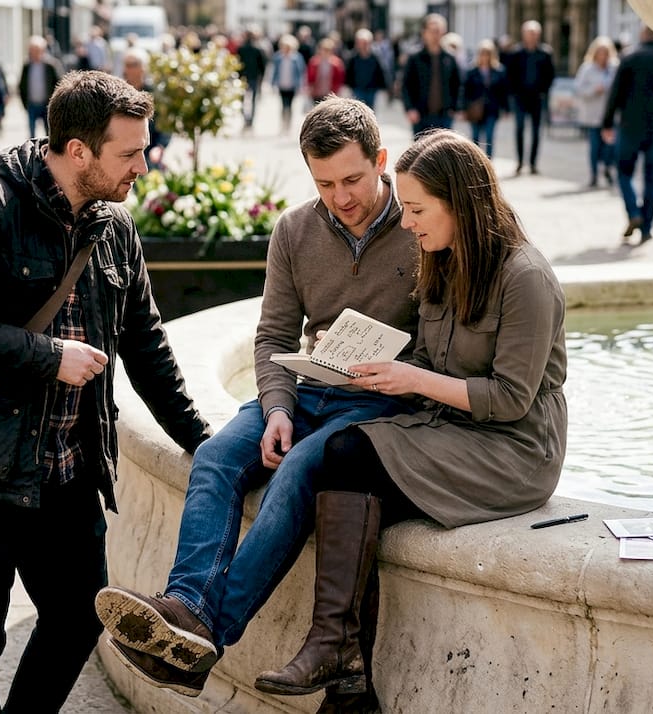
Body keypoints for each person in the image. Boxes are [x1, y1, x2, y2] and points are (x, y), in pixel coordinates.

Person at [93, 97, 419, 710]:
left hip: (374, 407)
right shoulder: (294, 230)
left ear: (381, 161)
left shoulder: (421, 226)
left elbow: (443, 346)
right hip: (307, 388)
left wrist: (392, 369)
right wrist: (275, 408)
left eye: (353, 179)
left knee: (297, 470)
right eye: (324, 184)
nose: (341, 197)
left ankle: (207, 634)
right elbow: (272, 337)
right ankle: (186, 606)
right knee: (216, 456)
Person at [0, 70, 212, 713]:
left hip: (69, 476)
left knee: (78, 617)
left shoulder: (113, 227)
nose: (142, 167)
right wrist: (48, 357)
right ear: (78, 151)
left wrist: (205, 444)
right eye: (129, 154)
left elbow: (147, 345)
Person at [253, 129, 567, 701]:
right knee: (343, 461)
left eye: (418, 209)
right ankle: (346, 673)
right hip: (448, 431)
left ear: (461, 204)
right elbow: (423, 358)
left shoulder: (527, 278)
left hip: (513, 450)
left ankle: (338, 662)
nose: (407, 222)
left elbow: (510, 400)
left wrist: (412, 378)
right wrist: (353, 358)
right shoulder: (441, 258)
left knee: (349, 462)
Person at [602, 26, 653, 245]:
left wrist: (607, 122)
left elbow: (615, 93)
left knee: (624, 172)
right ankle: (647, 227)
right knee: (652, 178)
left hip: (630, 126)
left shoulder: (630, 58)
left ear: (643, 35)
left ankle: (633, 212)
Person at [503, 20, 556, 175]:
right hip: (520, 98)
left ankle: (532, 163)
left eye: (534, 33)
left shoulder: (545, 53)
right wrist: (513, 93)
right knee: (519, 129)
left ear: (538, 35)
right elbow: (509, 75)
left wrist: (543, 91)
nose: (531, 36)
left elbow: (550, 75)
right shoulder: (515, 53)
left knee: (536, 131)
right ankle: (520, 161)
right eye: (529, 33)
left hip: (537, 98)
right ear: (523, 34)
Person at [400, 14, 461, 136]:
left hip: (444, 115)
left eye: (438, 31)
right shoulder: (415, 58)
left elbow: (458, 85)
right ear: (424, 33)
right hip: (420, 114)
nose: (435, 35)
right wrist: (409, 109)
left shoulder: (450, 58)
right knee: (422, 152)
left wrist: (456, 108)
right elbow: (406, 85)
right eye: (432, 31)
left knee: (443, 152)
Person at [575, 36, 618, 187]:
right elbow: (579, 89)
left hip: (610, 115)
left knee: (610, 147)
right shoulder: (587, 68)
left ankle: (607, 167)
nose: (603, 56)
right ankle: (593, 175)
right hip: (592, 115)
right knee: (594, 147)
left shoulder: (614, 69)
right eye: (600, 52)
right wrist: (594, 90)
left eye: (606, 53)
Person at [121, 49, 169, 170]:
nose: (128, 69)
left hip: (150, 151)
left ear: (143, 68)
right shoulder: (119, 94)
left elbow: (165, 123)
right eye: (126, 65)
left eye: (133, 65)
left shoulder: (155, 93)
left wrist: (160, 147)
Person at [462, 39, 510, 160]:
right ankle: (475, 163)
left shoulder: (499, 71)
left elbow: (504, 92)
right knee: (475, 138)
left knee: (489, 137)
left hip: (492, 109)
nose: (485, 57)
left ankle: (488, 162)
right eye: (482, 54)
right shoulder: (472, 71)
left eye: (487, 54)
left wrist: (506, 109)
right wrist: (463, 109)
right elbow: (465, 91)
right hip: (475, 109)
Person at [19, 36, 63, 139]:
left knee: (49, 133)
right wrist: (24, 103)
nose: (34, 53)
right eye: (32, 50)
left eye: (37, 50)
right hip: (31, 104)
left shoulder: (51, 65)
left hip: (47, 104)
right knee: (31, 134)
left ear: (43, 50)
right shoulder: (27, 66)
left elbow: (60, 83)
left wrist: (55, 102)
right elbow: (22, 85)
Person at [344, 28, 388, 111]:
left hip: (371, 90)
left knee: (370, 111)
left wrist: (384, 88)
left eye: (365, 43)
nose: (362, 45)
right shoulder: (353, 58)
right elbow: (348, 74)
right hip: (357, 89)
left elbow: (381, 73)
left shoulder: (375, 57)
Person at [271, 35, 306, 133]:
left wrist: (300, 85)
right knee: (283, 105)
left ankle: (288, 124)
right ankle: (283, 123)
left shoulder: (297, 58)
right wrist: (272, 83)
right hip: (282, 84)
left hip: (292, 85)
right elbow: (275, 71)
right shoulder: (278, 57)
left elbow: (300, 72)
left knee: (290, 105)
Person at [236, 27, 268, 128]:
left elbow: (237, 64)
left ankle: (247, 118)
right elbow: (262, 66)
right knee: (252, 100)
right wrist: (261, 78)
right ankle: (250, 120)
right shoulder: (257, 49)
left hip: (244, 77)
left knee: (243, 99)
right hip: (252, 77)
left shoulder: (242, 49)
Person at [305, 38, 346, 106]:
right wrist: (309, 88)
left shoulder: (337, 63)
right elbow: (309, 77)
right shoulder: (314, 62)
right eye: (324, 49)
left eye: (328, 50)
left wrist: (337, 91)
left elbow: (339, 79)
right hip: (316, 92)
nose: (325, 52)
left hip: (330, 93)